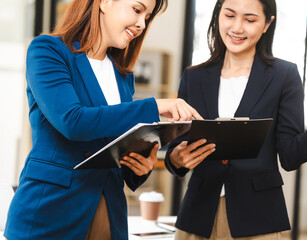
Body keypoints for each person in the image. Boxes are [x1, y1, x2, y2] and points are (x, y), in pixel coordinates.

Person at [164, 0, 307, 239]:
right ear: (218, 16)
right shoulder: (193, 77)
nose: (237, 27)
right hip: (198, 216)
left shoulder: (284, 76)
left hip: (258, 216)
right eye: (229, 15)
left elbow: (290, 155)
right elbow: (179, 145)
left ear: (267, 24)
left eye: (249, 19)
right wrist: (177, 158)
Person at [4, 0, 202, 239]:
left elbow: (113, 144)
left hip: (108, 212)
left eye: (147, 17)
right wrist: (155, 106)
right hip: (51, 210)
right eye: (137, 10)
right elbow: (72, 121)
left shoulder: (122, 75)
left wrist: (140, 167)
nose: (141, 24)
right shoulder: (48, 51)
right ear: (105, 2)